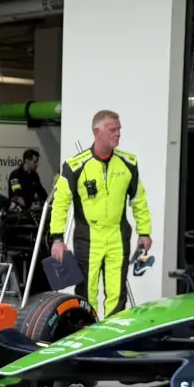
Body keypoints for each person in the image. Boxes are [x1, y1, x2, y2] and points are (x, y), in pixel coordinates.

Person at [49, 110, 153, 316]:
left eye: (119, 129)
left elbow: (138, 200)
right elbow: (60, 203)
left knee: (117, 292)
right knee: (87, 293)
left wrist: (144, 232)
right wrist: (57, 238)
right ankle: (87, 333)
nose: (118, 134)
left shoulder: (129, 163)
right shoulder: (75, 166)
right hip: (88, 239)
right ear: (96, 132)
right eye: (112, 130)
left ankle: (113, 336)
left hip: (118, 237)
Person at [7, 147, 46, 213]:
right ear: (27, 161)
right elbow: (17, 196)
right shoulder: (15, 175)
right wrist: (29, 204)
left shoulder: (34, 176)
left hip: (30, 210)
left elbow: (42, 192)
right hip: (18, 211)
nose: (37, 165)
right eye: (35, 162)